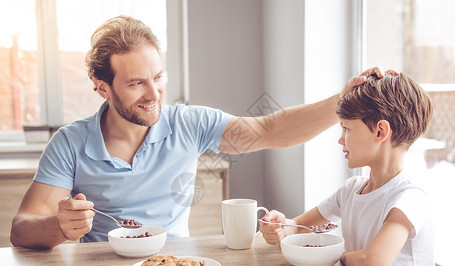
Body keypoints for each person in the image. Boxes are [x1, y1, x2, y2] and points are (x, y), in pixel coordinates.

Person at [10, 15, 383, 249]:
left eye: (158, 77)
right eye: (137, 83)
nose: (154, 95)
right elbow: (22, 229)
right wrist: (60, 226)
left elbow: (271, 131)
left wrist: (344, 98)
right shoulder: (70, 143)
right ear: (102, 87)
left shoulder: (187, 123)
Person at [259, 73, 437, 266]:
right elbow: (298, 227)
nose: (340, 140)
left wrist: (337, 254)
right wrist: (280, 226)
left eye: (347, 129)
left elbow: (370, 265)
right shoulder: (351, 190)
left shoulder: (409, 197)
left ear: (381, 132)